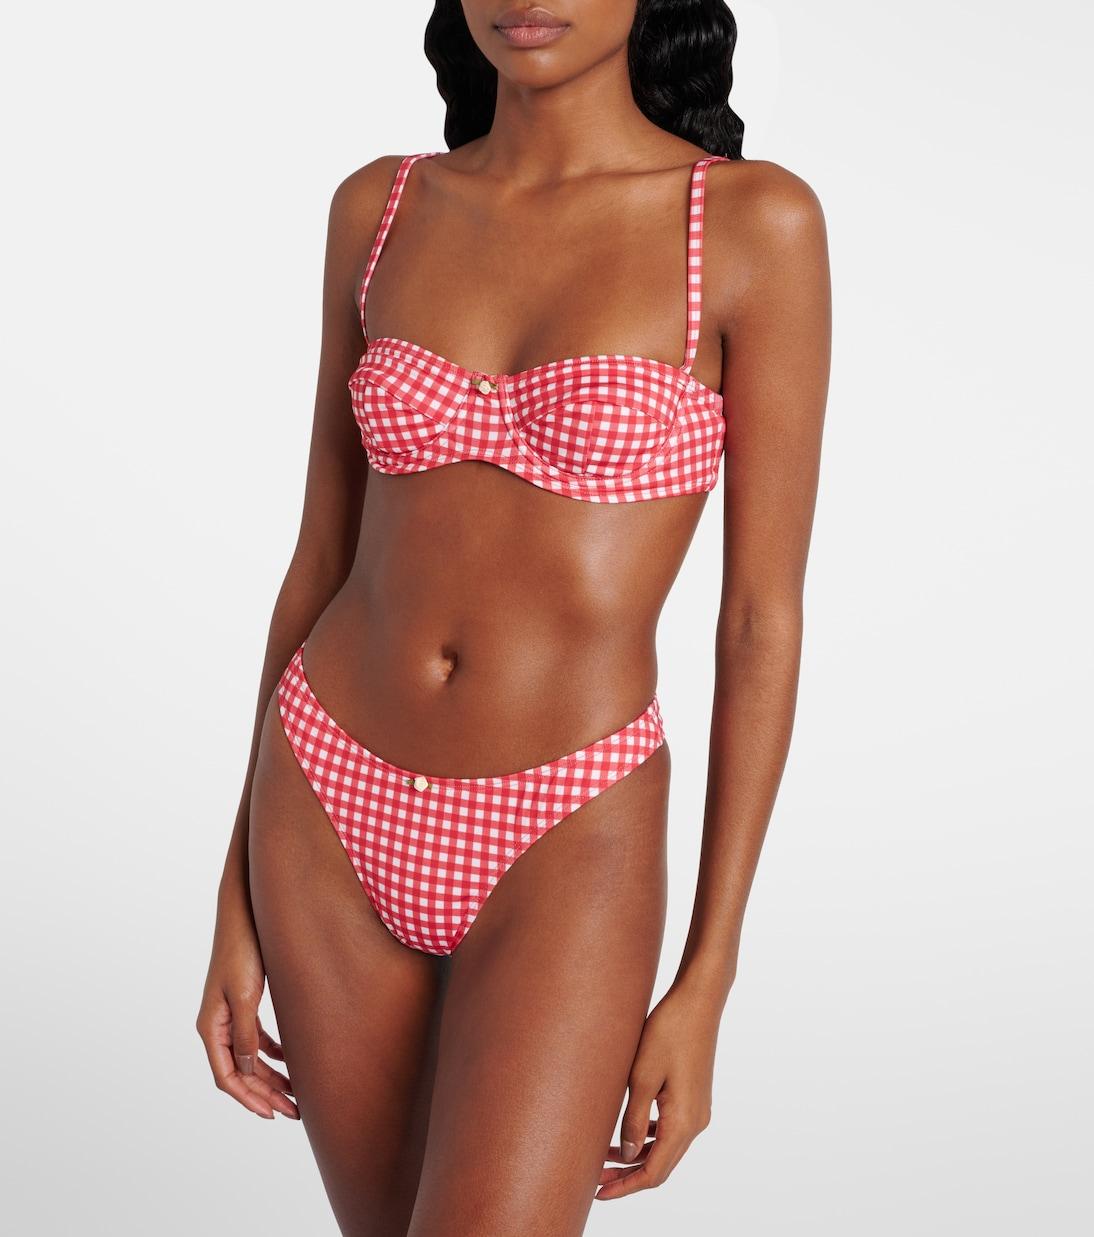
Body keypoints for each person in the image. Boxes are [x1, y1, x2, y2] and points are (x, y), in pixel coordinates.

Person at [196, 2, 830, 1233]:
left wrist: (706, 976)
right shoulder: (380, 207)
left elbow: (759, 620)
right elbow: (320, 556)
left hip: (566, 821)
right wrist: (233, 895)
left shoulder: (750, 223)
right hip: (322, 790)